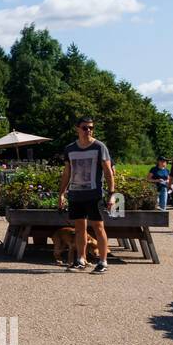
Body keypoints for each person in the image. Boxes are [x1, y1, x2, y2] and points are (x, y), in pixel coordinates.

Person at [57, 116, 115, 274]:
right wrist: (61, 193)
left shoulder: (99, 147)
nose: (88, 130)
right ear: (77, 129)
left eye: (91, 127)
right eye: (85, 127)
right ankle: (81, 259)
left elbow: (108, 172)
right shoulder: (70, 149)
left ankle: (103, 261)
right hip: (76, 194)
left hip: (94, 193)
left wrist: (111, 194)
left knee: (98, 226)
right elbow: (67, 173)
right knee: (79, 227)